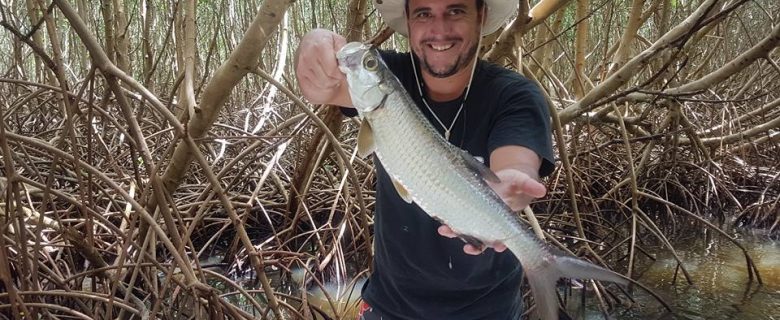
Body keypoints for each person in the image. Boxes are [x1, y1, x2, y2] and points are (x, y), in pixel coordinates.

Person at [295, 0, 555, 318]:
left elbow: (516, 163)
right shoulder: (390, 77)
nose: (439, 29)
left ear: (481, 16)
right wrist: (315, 43)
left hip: (487, 310)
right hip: (389, 306)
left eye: (455, 10)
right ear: (408, 20)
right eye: (423, 13)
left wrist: (512, 183)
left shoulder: (514, 95)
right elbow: (322, 89)